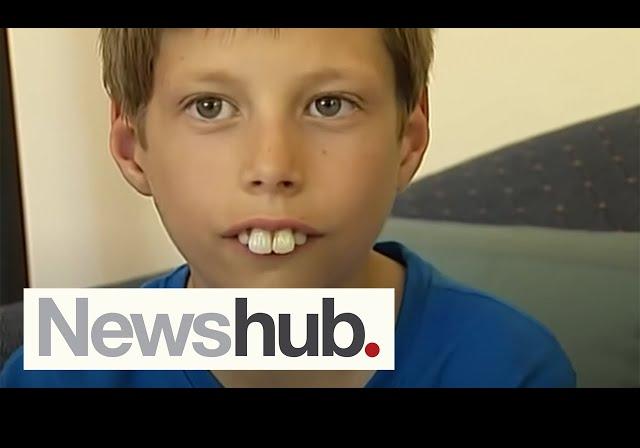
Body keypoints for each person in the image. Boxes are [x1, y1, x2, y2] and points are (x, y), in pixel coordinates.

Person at [0, 28, 576, 388]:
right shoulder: (58, 369)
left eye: (330, 104)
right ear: (132, 145)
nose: (273, 166)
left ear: (409, 135)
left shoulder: (506, 365)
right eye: (209, 106)